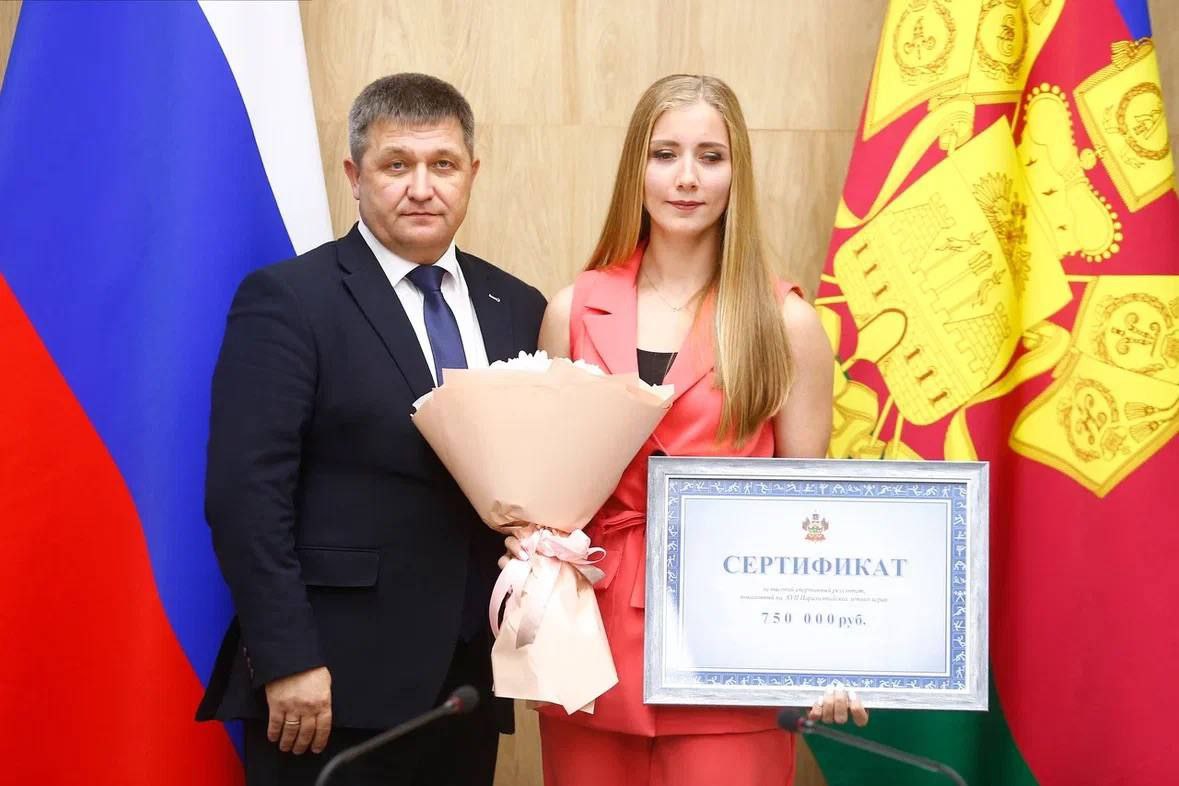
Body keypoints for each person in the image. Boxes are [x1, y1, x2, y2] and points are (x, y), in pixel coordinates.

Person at [513, 74, 868, 786]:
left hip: (733, 641)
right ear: (635, 168)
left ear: (738, 173)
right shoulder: (571, 310)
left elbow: (811, 514)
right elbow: (550, 492)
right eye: (664, 153)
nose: (686, 178)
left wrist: (830, 648)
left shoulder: (786, 323)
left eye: (711, 156)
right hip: (589, 644)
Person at [196, 73, 546, 786]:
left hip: (465, 688)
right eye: (396, 165)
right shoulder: (289, 300)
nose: (421, 188)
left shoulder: (515, 304)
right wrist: (287, 657)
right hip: (329, 688)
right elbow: (245, 496)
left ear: (472, 174)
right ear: (355, 176)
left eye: (442, 165)